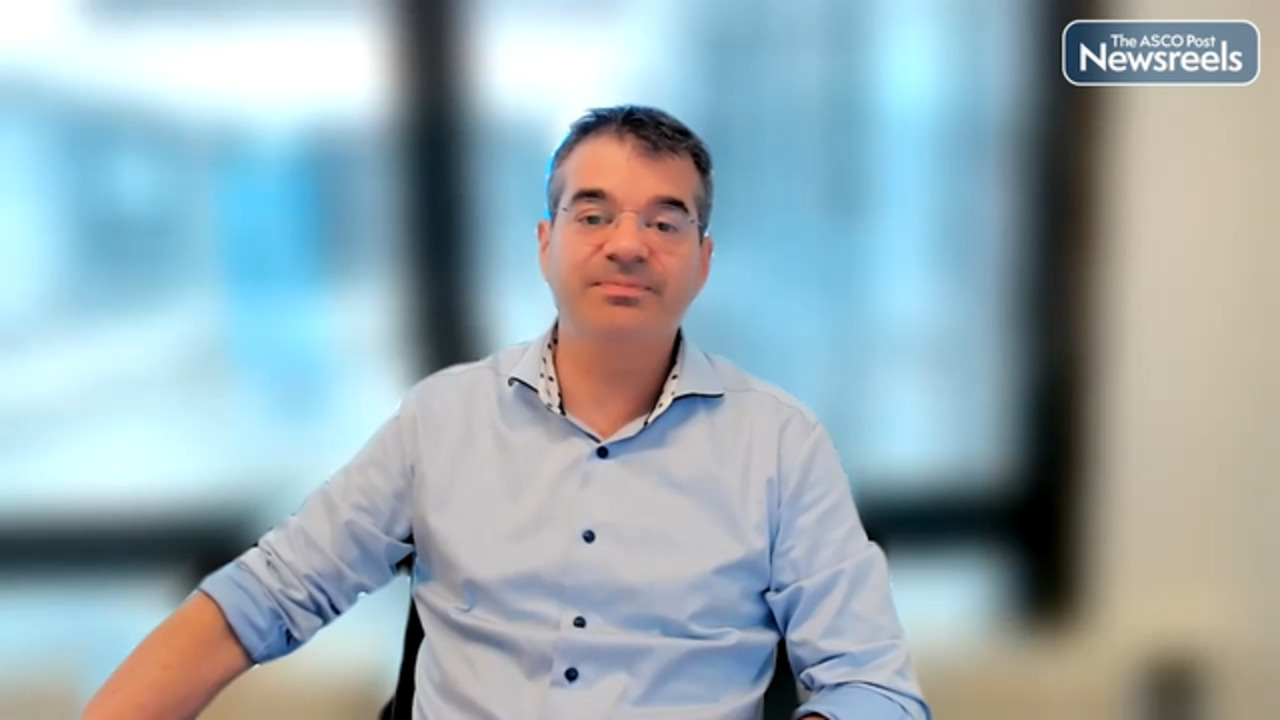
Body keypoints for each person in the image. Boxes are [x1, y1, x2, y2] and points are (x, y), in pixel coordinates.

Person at [84, 105, 930, 720]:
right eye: (592, 214)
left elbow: (873, 686)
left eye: (664, 222)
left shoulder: (781, 444)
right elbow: (265, 598)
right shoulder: (443, 419)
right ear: (545, 244)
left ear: (702, 261)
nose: (627, 243)